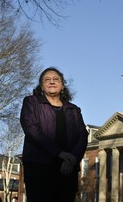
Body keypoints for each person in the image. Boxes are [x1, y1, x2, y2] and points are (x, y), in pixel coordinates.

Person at [20, 67, 88, 202]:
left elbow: (83, 136)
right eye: (47, 80)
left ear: (62, 85)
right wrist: (59, 153)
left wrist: (72, 158)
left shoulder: (73, 110)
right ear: (41, 86)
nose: (52, 82)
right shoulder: (32, 102)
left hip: (67, 169)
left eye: (56, 79)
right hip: (40, 168)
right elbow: (31, 128)